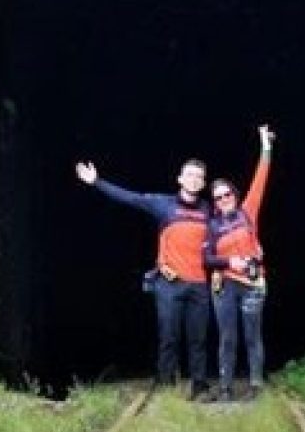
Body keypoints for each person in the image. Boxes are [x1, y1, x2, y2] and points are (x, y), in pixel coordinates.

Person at [75, 157, 212, 397]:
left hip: (200, 284)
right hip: (170, 283)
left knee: (198, 339)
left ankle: (199, 385)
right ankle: (165, 387)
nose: (193, 180)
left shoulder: (209, 210)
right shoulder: (163, 204)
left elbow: (232, 230)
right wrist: (97, 181)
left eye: (198, 177)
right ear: (180, 179)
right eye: (189, 175)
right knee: (168, 337)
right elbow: (130, 198)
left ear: (203, 183)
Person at [204, 125, 275, 401]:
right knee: (227, 338)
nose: (223, 199)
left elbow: (261, 177)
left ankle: (256, 386)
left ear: (234, 194)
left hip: (252, 284)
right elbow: (207, 259)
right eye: (218, 197)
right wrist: (229, 261)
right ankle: (225, 388)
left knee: (252, 336)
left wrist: (265, 146)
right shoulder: (211, 226)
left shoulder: (248, 212)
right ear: (214, 202)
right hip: (224, 286)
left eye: (227, 194)